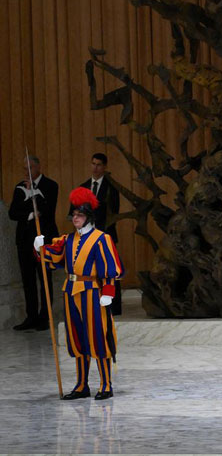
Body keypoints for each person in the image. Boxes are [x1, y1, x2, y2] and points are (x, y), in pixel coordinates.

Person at [34, 187, 123, 400]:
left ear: (88, 217)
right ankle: (82, 385)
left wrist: (108, 292)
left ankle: (106, 385)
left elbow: (110, 267)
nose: (75, 218)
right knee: (78, 339)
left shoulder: (101, 238)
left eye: (79, 215)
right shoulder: (68, 239)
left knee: (98, 337)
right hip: (71, 291)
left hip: (93, 293)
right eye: (73, 215)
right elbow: (54, 258)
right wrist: (40, 248)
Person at [7, 155, 58, 331]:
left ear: (38, 167)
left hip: (44, 240)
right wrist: (29, 214)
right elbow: (13, 213)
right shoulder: (20, 187)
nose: (26, 172)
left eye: (30, 168)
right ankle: (31, 317)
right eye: (24, 168)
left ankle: (45, 317)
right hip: (24, 240)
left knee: (44, 279)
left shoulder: (50, 185)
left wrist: (33, 193)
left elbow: (46, 210)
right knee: (27, 280)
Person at [77, 153, 121, 314]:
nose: (95, 168)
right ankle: (93, 304)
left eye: (99, 165)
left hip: (105, 233)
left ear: (105, 167)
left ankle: (114, 307)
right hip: (87, 236)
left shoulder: (111, 187)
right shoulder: (83, 187)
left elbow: (114, 212)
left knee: (109, 270)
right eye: (93, 164)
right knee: (90, 270)